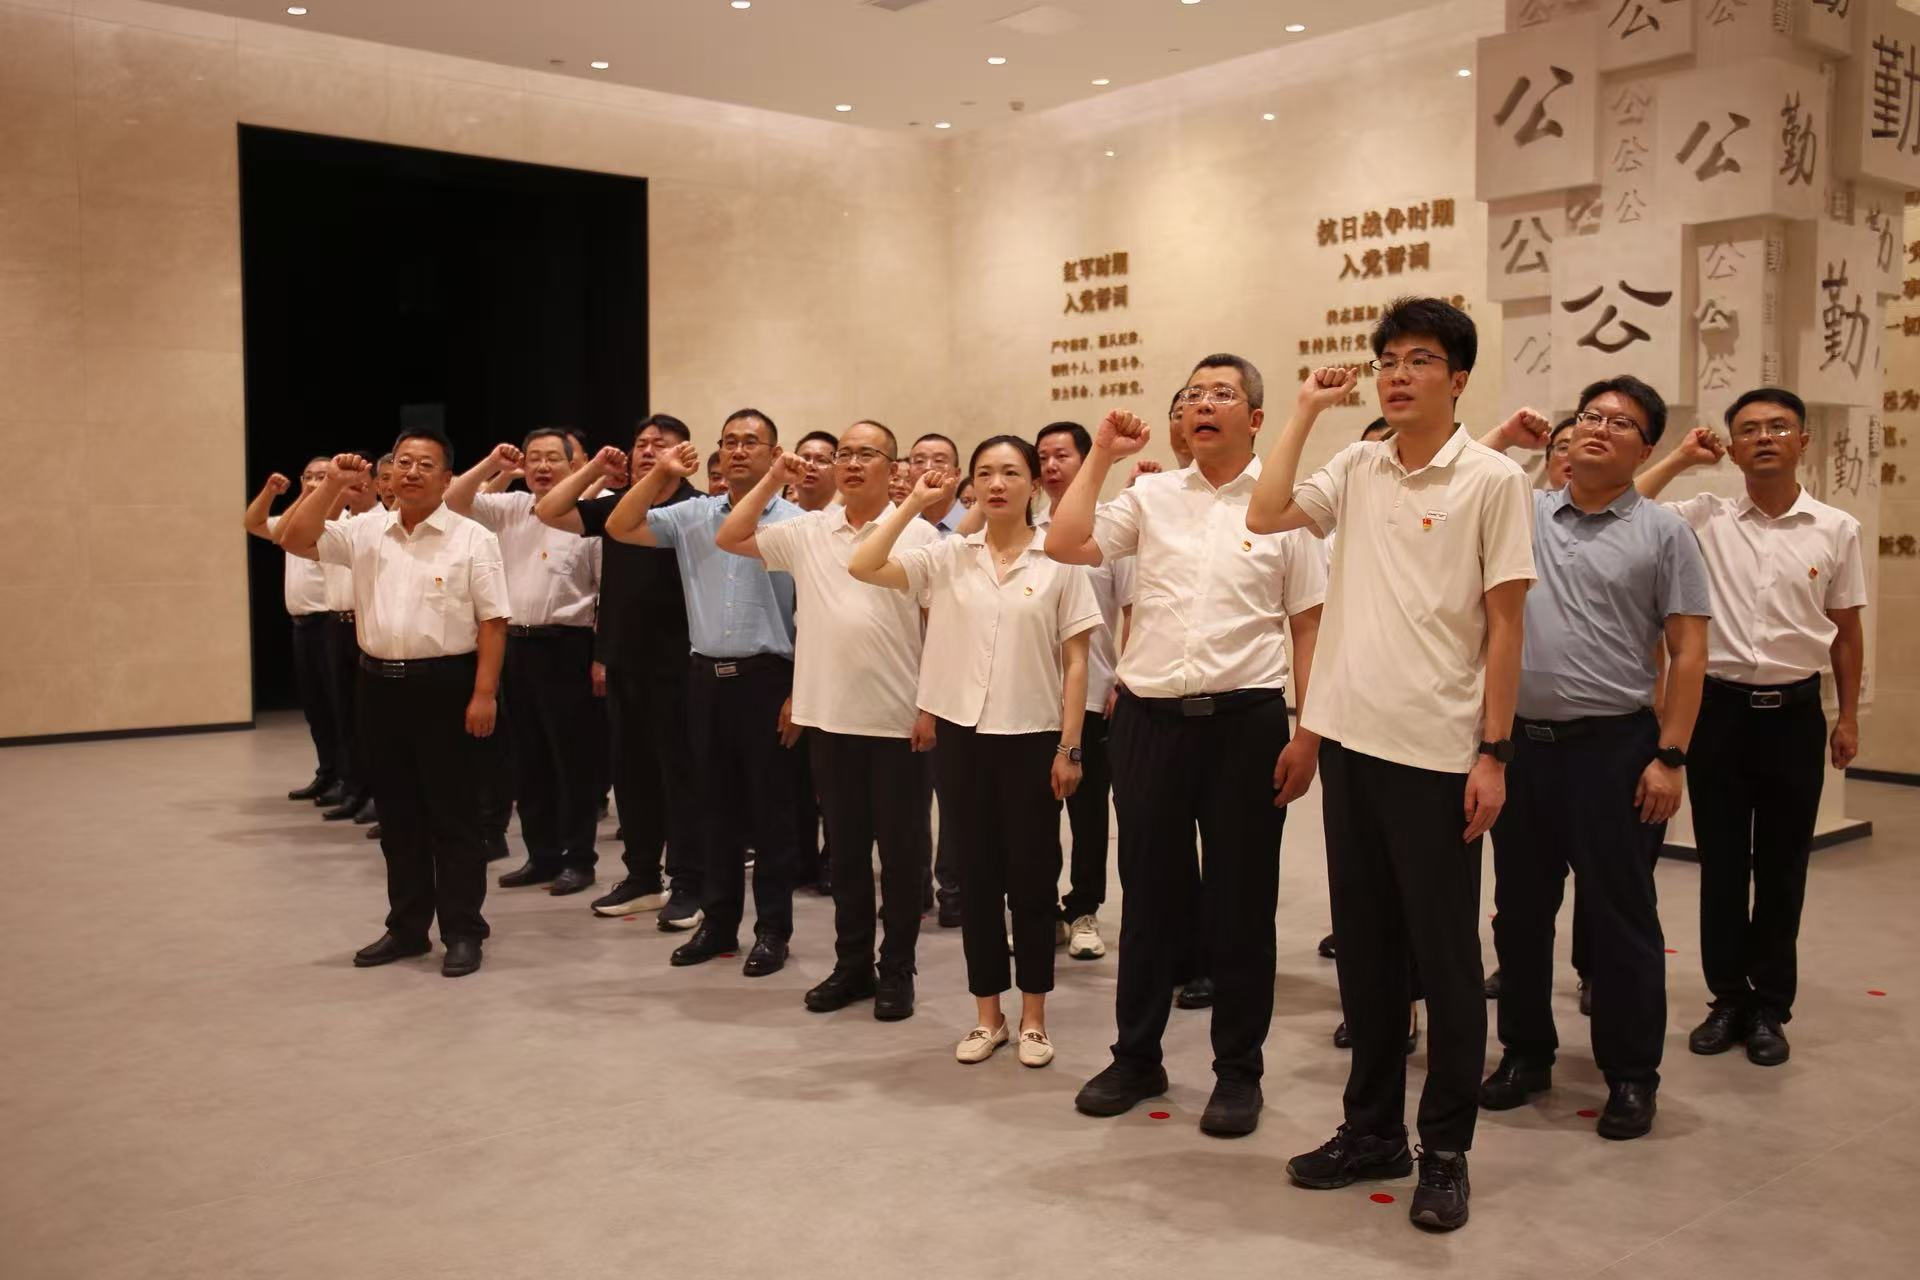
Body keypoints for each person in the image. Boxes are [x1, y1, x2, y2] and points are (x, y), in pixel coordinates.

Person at [1246, 297, 1536, 1232]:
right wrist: (1304, 409)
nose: (1398, 375)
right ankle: (1371, 1129)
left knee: (1446, 962)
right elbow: (1265, 510)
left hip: (1439, 753)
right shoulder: (1359, 466)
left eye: (1419, 360)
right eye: (1387, 361)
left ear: (1459, 378)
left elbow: (1505, 625)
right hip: (1352, 744)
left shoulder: (1492, 479)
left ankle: (1444, 1149)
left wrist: (1493, 751)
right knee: (1367, 956)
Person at [1048, 352, 1328, 1136]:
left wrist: (1308, 734)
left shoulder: (1286, 508)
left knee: (1242, 905)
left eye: (1222, 394)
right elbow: (1066, 543)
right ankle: (1137, 1055)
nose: (1203, 403)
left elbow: (1309, 625)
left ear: (1255, 418)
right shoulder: (1151, 497)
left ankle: (1238, 1071)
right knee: (1148, 899)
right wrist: (1103, 455)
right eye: (1194, 393)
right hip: (1148, 722)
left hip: (1246, 723)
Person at [1471, 376, 1710, 1141]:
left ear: (1646, 446)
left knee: (1619, 920)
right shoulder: (1523, 513)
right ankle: (1525, 1054)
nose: (1599, 429)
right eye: (1589, 416)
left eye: (1621, 422)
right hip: (1522, 749)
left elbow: (1689, 650)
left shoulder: (1665, 532)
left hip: (1615, 749)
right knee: (1519, 914)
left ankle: (1632, 1075)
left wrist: (1671, 757)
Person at [1634, 387, 1867, 1068]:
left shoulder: (1836, 528)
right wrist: (1682, 457)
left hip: (1795, 715)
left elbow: (1847, 632)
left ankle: (1770, 1007)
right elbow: (1626, 504)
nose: (1765, 437)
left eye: (1779, 427)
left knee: (1785, 867)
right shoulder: (1701, 518)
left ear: (1803, 442)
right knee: (1723, 864)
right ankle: (1728, 998)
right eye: (1750, 430)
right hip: (1718, 714)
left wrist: (1849, 716)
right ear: (1733, 449)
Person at [856, 438, 1100, 1067]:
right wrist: (915, 501)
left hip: (1033, 737)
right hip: (962, 737)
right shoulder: (948, 556)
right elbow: (864, 563)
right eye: (985, 473)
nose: (997, 484)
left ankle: (1034, 1017)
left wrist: (1071, 747)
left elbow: (1077, 662)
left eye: (1011, 472)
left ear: (1033, 485)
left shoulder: (1059, 559)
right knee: (978, 880)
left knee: (1033, 881)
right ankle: (988, 1015)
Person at [716, 421, 935, 1019]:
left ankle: (898, 970)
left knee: (901, 857)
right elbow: (730, 536)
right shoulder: (808, 530)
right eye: (844, 454)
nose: (852, 463)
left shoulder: (919, 532)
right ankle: (853, 966)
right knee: (846, 856)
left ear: (894, 469)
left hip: (897, 720)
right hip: (831, 719)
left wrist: (930, 706)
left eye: (867, 454)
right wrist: (772, 479)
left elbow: (939, 626)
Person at [278, 431, 509, 978]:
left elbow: (493, 621)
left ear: (446, 478)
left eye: (425, 464)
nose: (411, 472)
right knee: (399, 816)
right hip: (378, 686)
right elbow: (294, 537)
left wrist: (484, 694)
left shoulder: (472, 538)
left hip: (447, 685)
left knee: (453, 816)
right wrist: (333, 484)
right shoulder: (364, 531)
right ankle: (407, 928)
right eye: (403, 462)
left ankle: (462, 930)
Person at [602, 413, 803, 976]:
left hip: (770, 678)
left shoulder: (799, 523)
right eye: (729, 442)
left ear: (775, 453)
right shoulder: (692, 514)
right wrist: (661, 471)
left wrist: (799, 693)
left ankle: (773, 930)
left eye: (751, 442)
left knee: (771, 815)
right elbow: (619, 525)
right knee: (713, 810)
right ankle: (718, 924)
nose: (738, 450)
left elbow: (813, 613)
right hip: (705, 678)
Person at [536, 415, 706, 925]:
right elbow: (549, 510)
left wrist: (665, 474)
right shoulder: (620, 505)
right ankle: (641, 877)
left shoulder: (696, 508)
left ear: (685, 454)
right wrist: (592, 468)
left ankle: (690, 882)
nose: (647, 451)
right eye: (641, 444)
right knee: (632, 775)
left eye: (661, 444)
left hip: (680, 663)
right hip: (624, 660)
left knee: (681, 776)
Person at [447, 430, 604, 897]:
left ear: (574, 466)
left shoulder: (588, 515)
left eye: (553, 458)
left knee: (570, 761)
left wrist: (602, 658)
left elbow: (606, 593)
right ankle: (542, 855)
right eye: (534, 458)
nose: (541, 466)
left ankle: (579, 859)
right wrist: (493, 464)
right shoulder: (511, 508)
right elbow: (453, 501)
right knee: (528, 760)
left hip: (568, 647)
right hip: (516, 646)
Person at [1033, 422, 1137, 961]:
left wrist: (1124, 679)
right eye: (1043, 458)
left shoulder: (1110, 528)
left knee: (1089, 813)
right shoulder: (1024, 528)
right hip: (1031, 698)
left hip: (1094, 694)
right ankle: (1041, 910)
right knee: (1034, 816)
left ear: (1085, 460)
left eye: (1062, 456)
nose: (1052, 467)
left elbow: (1133, 610)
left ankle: (1083, 910)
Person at [245, 460, 341, 802]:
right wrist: (274, 492)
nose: (314, 482)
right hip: (303, 625)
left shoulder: (339, 519)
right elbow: (254, 523)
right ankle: (327, 772)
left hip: (329, 621)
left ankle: (349, 778)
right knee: (315, 707)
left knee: (337, 706)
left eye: (322, 477)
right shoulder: (295, 518)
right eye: (309, 476)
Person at [907, 434, 967, 533]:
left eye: (939, 460)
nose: (928, 467)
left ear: (957, 474)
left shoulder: (980, 526)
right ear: (909, 474)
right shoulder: (901, 527)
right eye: (919, 461)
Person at [791, 431, 840, 513]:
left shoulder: (848, 518)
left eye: (822, 460)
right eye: (804, 459)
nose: (810, 465)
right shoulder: (779, 516)